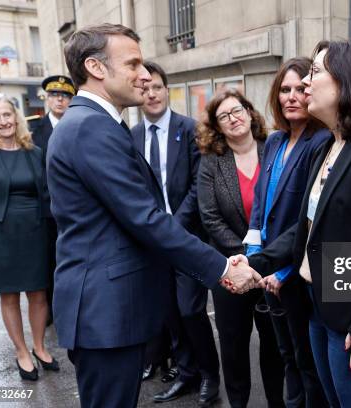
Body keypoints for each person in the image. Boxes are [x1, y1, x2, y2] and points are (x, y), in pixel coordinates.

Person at [46, 24, 259, 408]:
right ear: (95, 67)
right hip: (104, 311)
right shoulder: (90, 127)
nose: (145, 75)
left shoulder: (94, 124)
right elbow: (144, 218)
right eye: (133, 63)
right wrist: (223, 269)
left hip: (110, 309)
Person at [239, 41, 351, 408]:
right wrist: (255, 263)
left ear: (347, 83)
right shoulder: (326, 146)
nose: (305, 83)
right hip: (318, 305)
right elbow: (305, 231)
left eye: (315, 72)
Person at [131, 61, 220, 405]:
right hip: (153, 243)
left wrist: (173, 227)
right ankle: (186, 373)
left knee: (190, 310)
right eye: (145, 89)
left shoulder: (191, 130)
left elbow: (200, 187)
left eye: (157, 87)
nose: (151, 94)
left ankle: (210, 374)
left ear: (167, 90)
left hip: (186, 237)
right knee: (168, 311)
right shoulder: (132, 136)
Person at [242, 57, 330, 408]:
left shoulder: (320, 141)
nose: (292, 97)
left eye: (300, 89)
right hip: (268, 272)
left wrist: (281, 270)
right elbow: (260, 207)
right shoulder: (275, 141)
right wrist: (254, 261)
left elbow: (311, 218)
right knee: (285, 354)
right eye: (285, 89)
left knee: (306, 360)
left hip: (296, 272)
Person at [196, 89, 285, 408]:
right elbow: (210, 218)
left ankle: (277, 402)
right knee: (233, 345)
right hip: (230, 268)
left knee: (274, 345)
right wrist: (247, 260)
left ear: (249, 113)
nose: (233, 119)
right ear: (217, 127)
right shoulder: (211, 162)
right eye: (223, 116)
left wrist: (264, 260)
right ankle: (238, 402)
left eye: (237, 111)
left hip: (273, 267)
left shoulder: (274, 149)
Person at [0, 94, 59, 381]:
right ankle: (21, 352)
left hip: (35, 227)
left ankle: (40, 347)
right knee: (9, 295)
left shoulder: (34, 151)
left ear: (16, 118)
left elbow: (46, 190)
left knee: (39, 292)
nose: (4, 121)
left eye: (7, 115)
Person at [30, 75, 76, 326]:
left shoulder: (80, 125)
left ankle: (71, 307)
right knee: (48, 261)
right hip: (46, 210)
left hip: (74, 207)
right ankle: (49, 311)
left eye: (65, 96)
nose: (59, 100)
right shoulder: (34, 131)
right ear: (46, 98)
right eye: (55, 95)